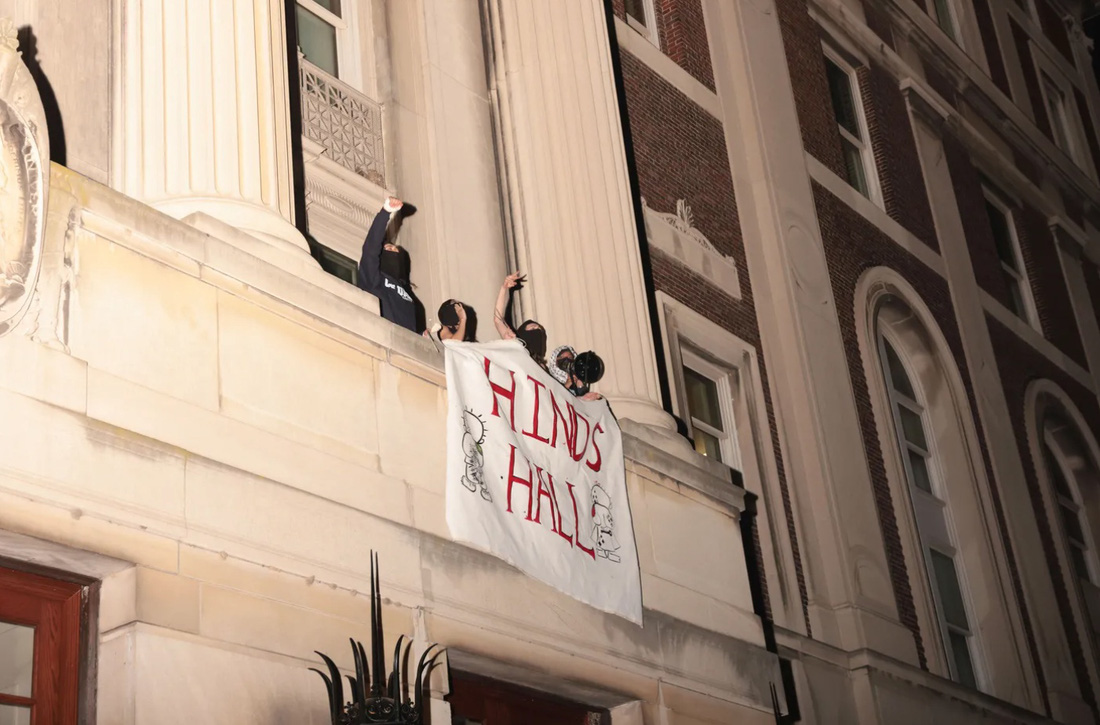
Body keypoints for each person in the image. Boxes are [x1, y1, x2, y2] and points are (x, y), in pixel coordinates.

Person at [358, 197, 420, 333]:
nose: (392, 251)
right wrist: (385, 213)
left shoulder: (409, 295)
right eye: (388, 249)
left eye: (395, 250)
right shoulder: (374, 279)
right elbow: (371, 250)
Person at [494, 272, 547, 369]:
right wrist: (504, 288)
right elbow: (498, 319)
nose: (536, 329)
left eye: (538, 328)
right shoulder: (515, 346)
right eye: (532, 328)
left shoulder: (542, 367)